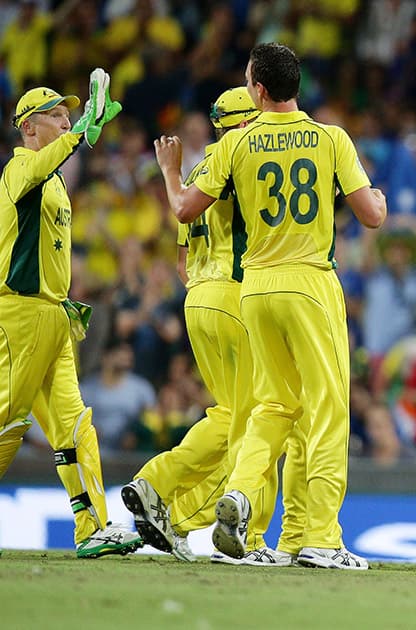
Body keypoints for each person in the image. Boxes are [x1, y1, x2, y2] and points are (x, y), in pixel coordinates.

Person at [154, 43, 386, 569]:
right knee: (328, 411)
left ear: (258, 89)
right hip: (309, 283)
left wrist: (170, 173)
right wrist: (382, 200)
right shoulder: (330, 138)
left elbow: (186, 209)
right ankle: (321, 538)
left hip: (254, 287)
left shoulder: (237, 146)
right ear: (294, 85)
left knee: (273, 406)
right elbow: (371, 216)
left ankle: (237, 494)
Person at [125, 86, 287, 566]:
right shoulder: (247, 160)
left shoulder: (199, 171)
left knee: (227, 412)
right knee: (259, 417)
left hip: (198, 298)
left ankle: (156, 480)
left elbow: (182, 260)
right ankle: (246, 535)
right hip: (240, 297)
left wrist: (171, 173)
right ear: (244, 120)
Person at [0, 73, 142, 557]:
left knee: (75, 426)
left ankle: (93, 527)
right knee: (6, 421)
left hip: (55, 315)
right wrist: (83, 130)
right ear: (28, 128)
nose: (64, 122)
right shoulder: (19, 170)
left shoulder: (53, 180)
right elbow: (46, 164)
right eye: (56, 116)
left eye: (68, 115)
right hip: (18, 313)